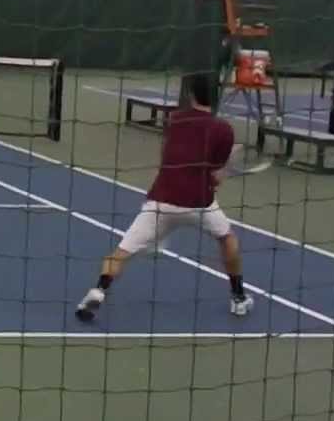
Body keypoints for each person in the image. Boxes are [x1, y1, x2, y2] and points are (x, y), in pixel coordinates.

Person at [75, 71, 253, 322]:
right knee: (227, 238)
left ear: (191, 94)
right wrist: (225, 167)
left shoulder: (174, 120)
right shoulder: (223, 130)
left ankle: (98, 290)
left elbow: (174, 157)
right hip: (199, 205)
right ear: (216, 96)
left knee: (121, 252)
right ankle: (238, 298)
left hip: (160, 202)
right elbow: (215, 174)